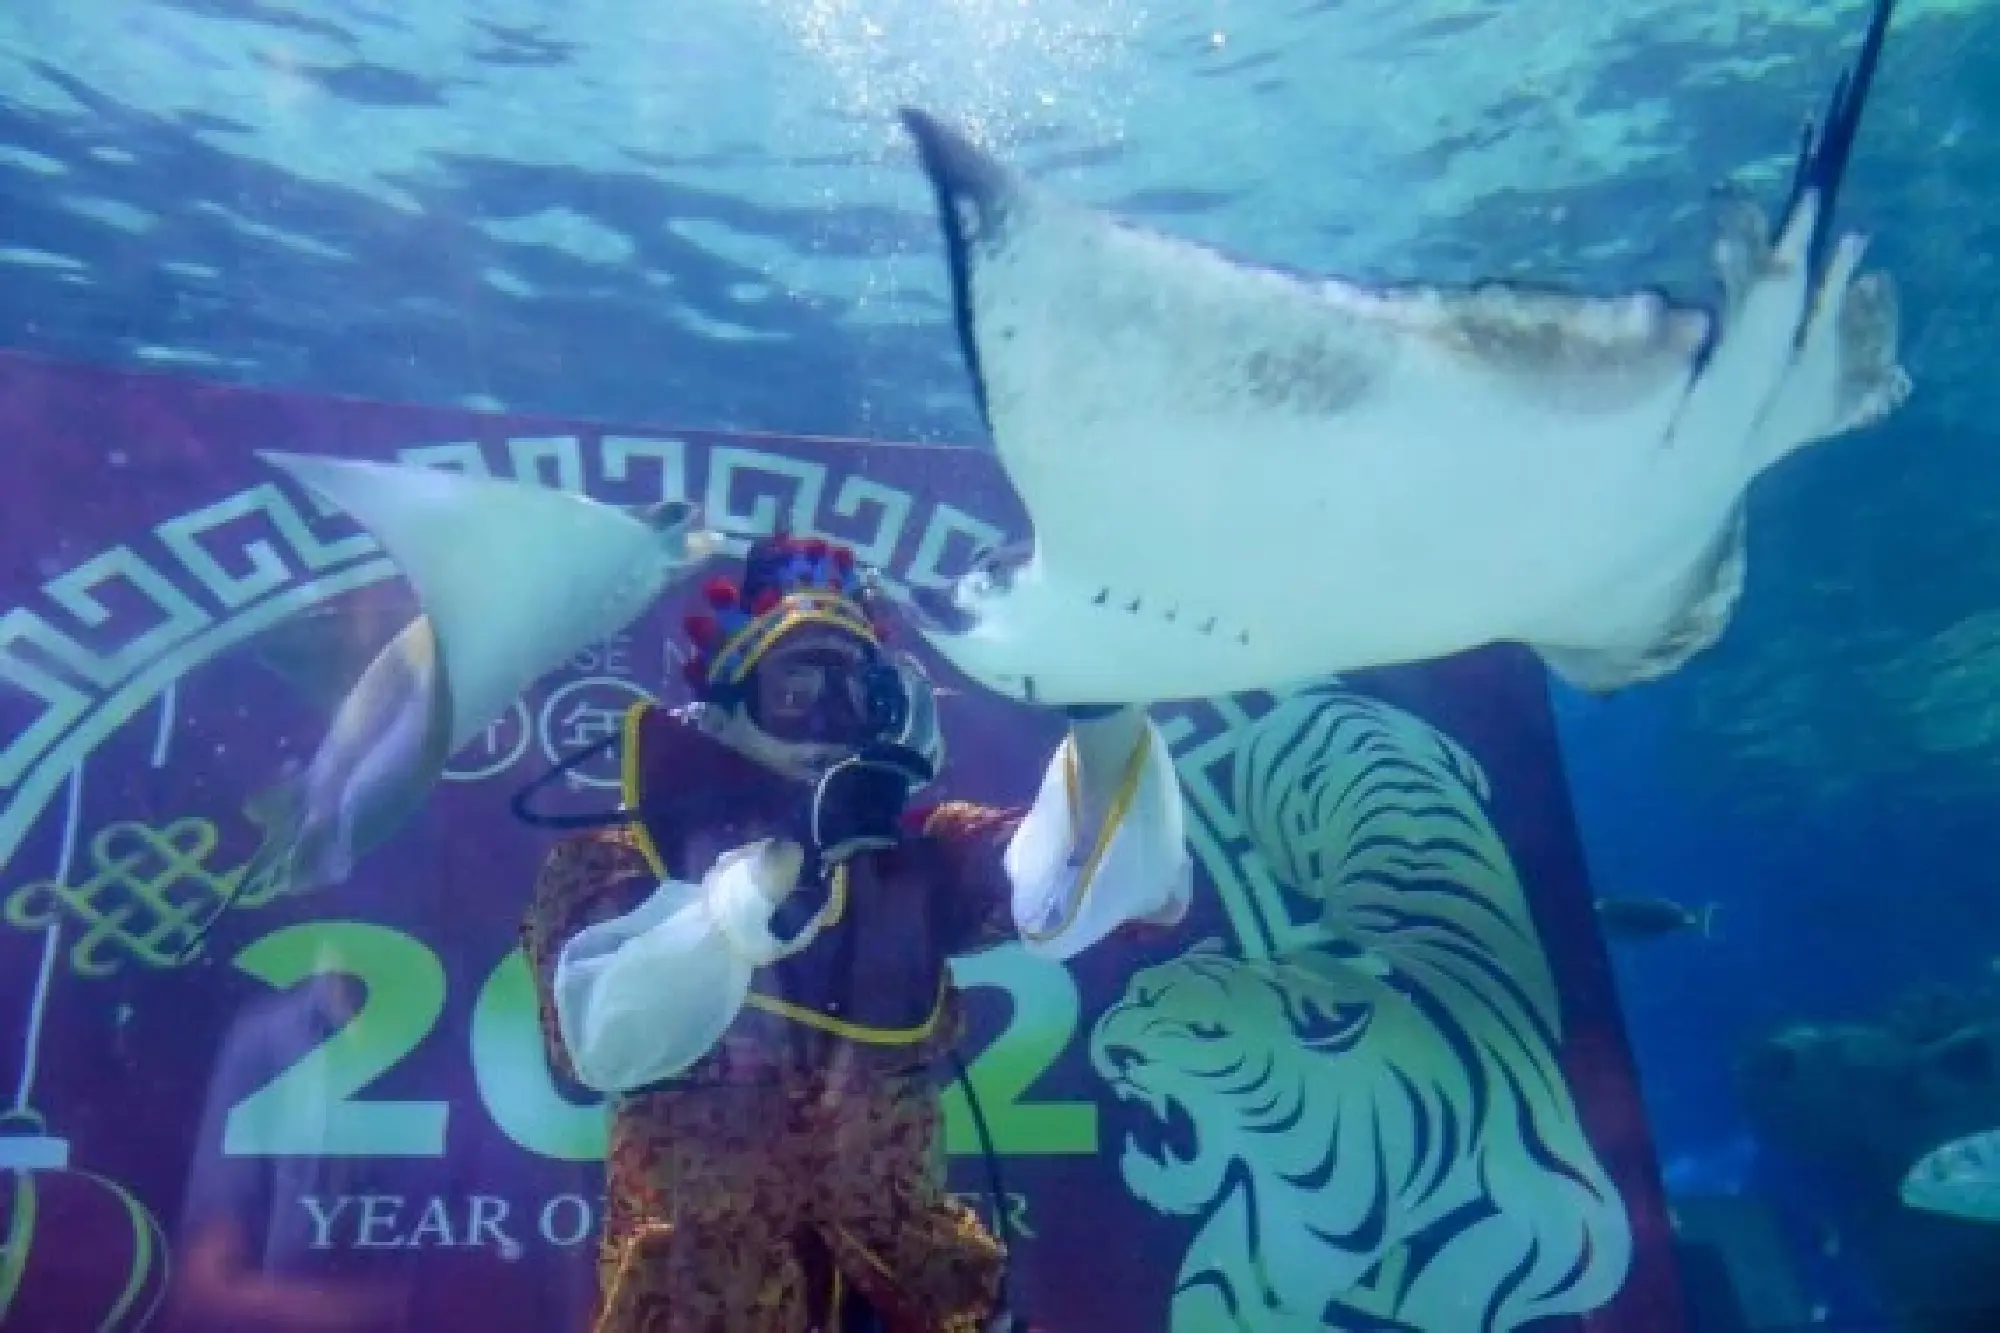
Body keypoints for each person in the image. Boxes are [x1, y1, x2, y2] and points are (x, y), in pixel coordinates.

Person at [519, 533, 1191, 1333]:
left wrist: (1103, 708)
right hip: (702, 1302)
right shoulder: (617, 858)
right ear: (726, 703)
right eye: (797, 687)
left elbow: (1098, 879)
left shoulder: (916, 858)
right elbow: (595, 1038)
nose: (829, 721)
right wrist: (777, 872)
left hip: (912, 1295)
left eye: (856, 690)